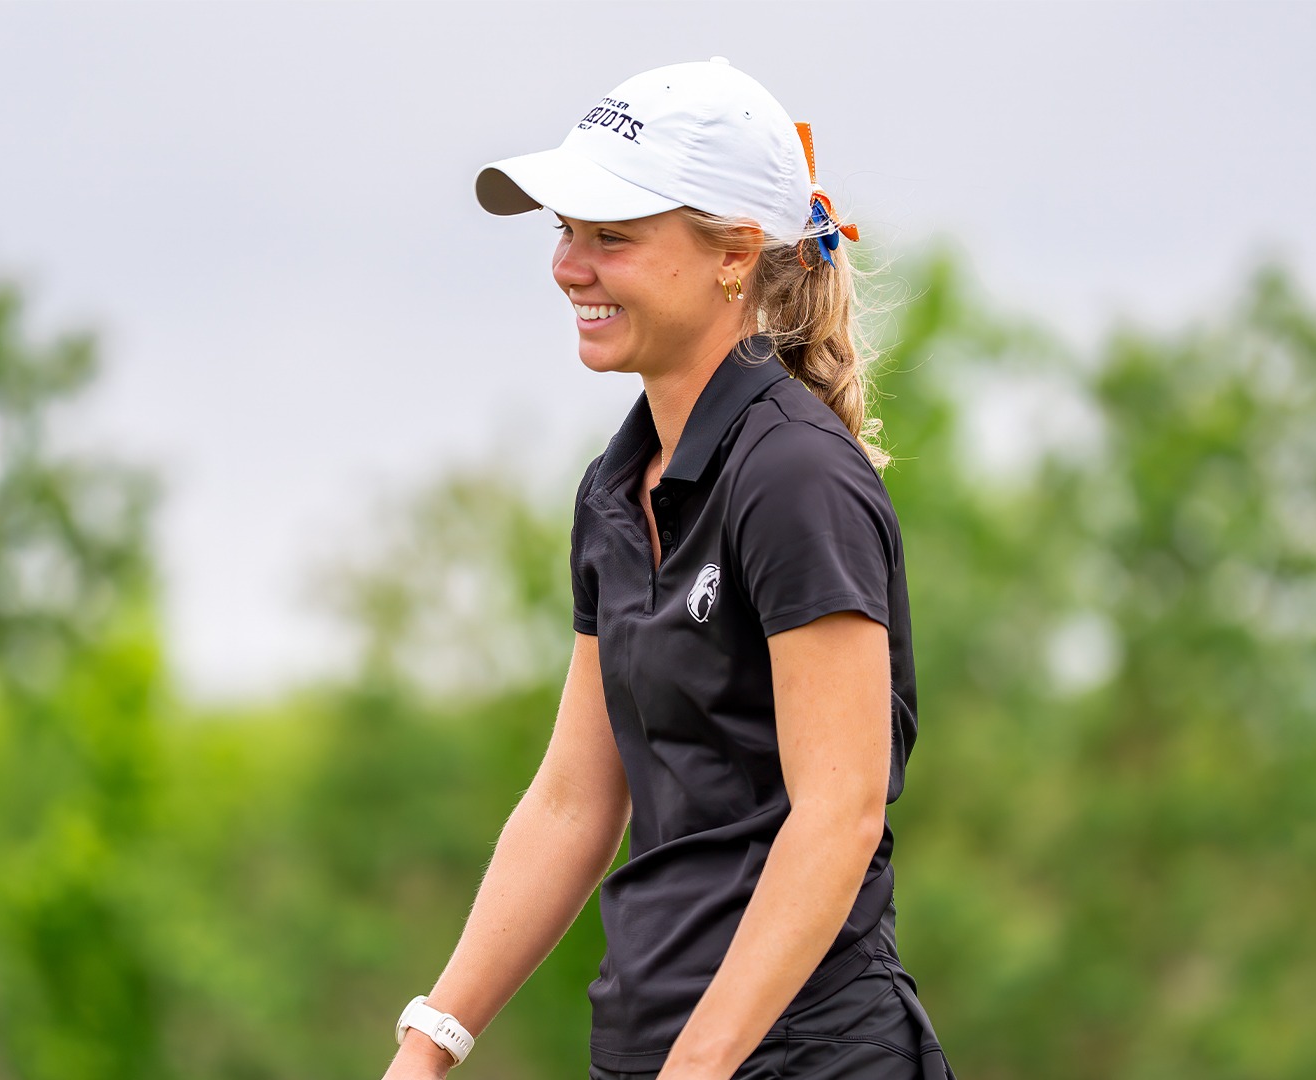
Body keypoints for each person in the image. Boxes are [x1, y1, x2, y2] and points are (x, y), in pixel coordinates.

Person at [383, 58, 953, 1080]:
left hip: (805, 1057)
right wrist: (432, 1040)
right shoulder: (617, 486)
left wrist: (699, 1068)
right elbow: (572, 800)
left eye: (613, 237)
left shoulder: (792, 479)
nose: (569, 266)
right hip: (659, 1048)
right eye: (566, 232)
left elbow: (839, 813)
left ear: (737, 256)